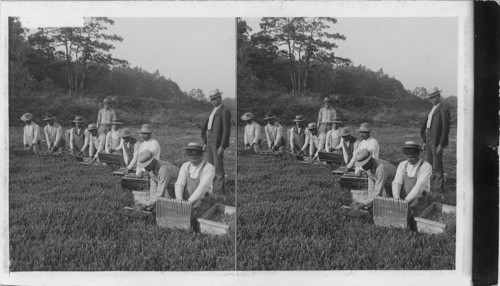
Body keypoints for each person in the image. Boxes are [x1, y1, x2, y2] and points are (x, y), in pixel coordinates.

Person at [420, 87, 450, 193]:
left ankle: (438, 190)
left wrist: (441, 144)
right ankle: (432, 186)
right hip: (428, 138)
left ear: (439, 96)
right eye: (430, 98)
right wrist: (425, 141)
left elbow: (445, 129)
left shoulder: (443, 109)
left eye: (434, 97)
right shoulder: (432, 109)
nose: (432, 99)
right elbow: (428, 126)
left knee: (437, 165)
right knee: (429, 163)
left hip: (436, 140)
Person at [392, 141, 432, 219]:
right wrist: (396, 198)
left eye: (412, 157)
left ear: (418, 154)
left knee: (410, 215)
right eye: (407, 157)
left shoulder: (426, 166)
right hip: (403, 197)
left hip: (419, 198)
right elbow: (397, 182)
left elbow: (419, 188)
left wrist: (405, 202)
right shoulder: (403, 165)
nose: (409, 160)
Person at [201, 89, 231, 193]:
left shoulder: (224, 110)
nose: (213, 101)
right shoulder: (213, 111)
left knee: (218, 167)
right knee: (209, 165)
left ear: (220, 98)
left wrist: (222, 145)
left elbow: (226, 130)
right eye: (212, 99)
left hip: (217, 141)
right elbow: (209, 127)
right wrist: (206, 142)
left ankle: (219, 192)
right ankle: (211, 188)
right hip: (209, 139)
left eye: (215, 99)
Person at [174, 142, 215, 218]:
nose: (192, 161)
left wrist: (188, 203)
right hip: (186, 201)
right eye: (190, 158)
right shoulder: (185, 166)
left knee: (194, 219)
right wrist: (179, 198)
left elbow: (202, 189)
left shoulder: (209, 168)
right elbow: (180, 183)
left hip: (201, 203)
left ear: (201, 155)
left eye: (195, 158)